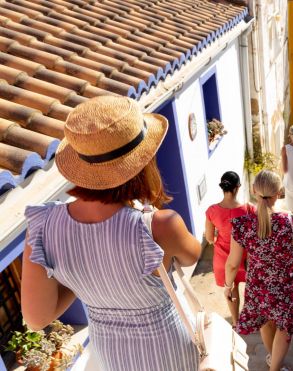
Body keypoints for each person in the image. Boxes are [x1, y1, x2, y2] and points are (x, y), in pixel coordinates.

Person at [21, 96, 201, 370]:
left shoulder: (42, 226)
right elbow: (191, 256)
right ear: (143, 162)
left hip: (111, 355)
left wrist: (78, 273)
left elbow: (36, 318)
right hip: (170, 351)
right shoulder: (159, 225)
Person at [225, 170, 293, 371]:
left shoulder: (242, 225)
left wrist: (228, 286)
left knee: (266, 322)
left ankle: (273, 359)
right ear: (279, 193)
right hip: (287, 285)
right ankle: (275, 367)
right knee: (285, 328)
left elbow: (232, 263)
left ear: (253, 191)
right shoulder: (291, 221)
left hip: (258, 285)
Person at [205, 171, 254, 327]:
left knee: (231, 287)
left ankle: (235, 322)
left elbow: (209, 238)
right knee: (252, 287)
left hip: (223, 257)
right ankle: (256, 318)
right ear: (237, 187)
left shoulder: (212, 211)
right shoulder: (249, 209)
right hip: (245, 256)